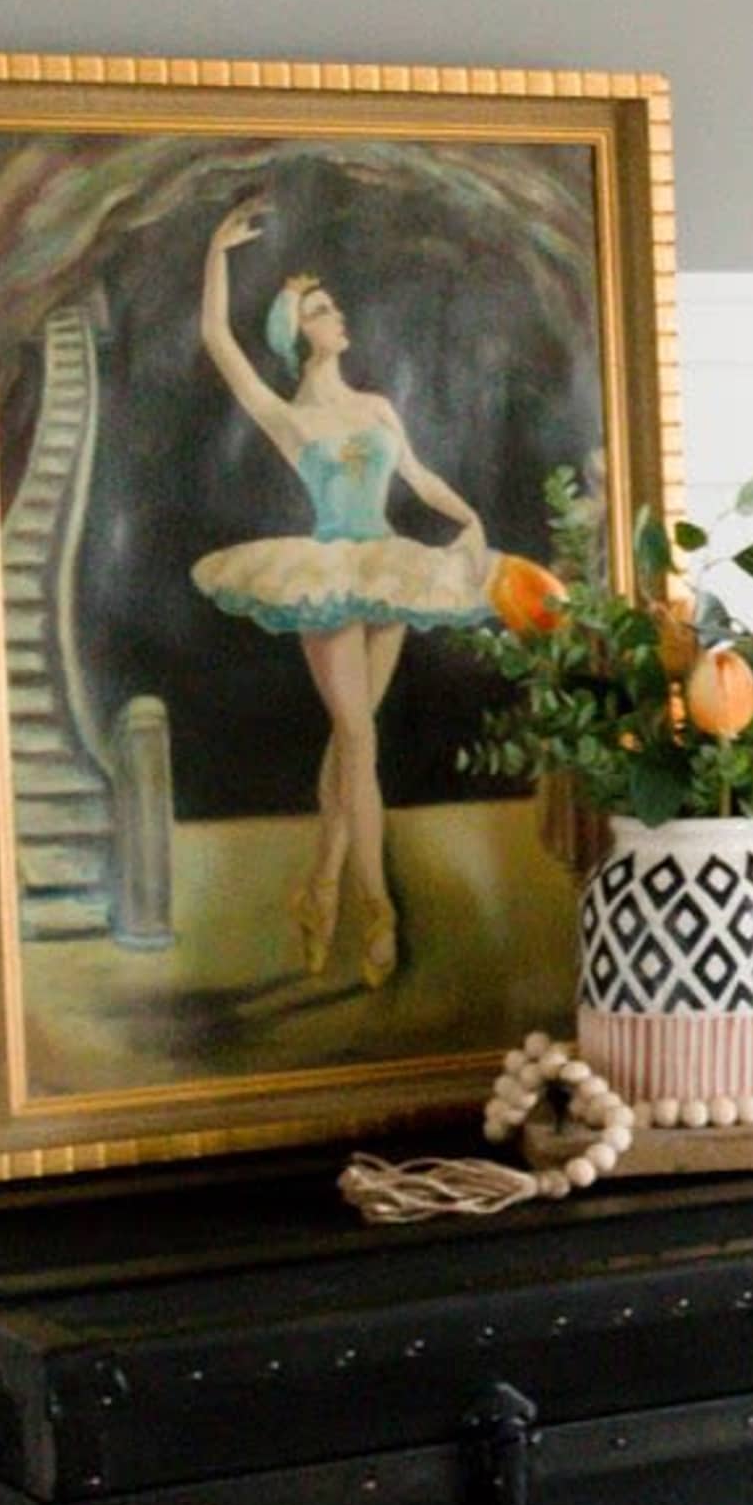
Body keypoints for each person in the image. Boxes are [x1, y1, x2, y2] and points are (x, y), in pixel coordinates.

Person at [192, 203, 495, 987]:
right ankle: (378, 907)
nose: (339, 316)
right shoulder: (290, 418)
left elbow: (419, 477)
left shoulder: (377, 407)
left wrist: (469, 521)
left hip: (386, 570)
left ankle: (319, 886)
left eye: (334, 306)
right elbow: (220, 343)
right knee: (358, 742)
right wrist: (216, 255)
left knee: (349, 743)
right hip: (326, 577)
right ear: (299, 331)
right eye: (323, 311)